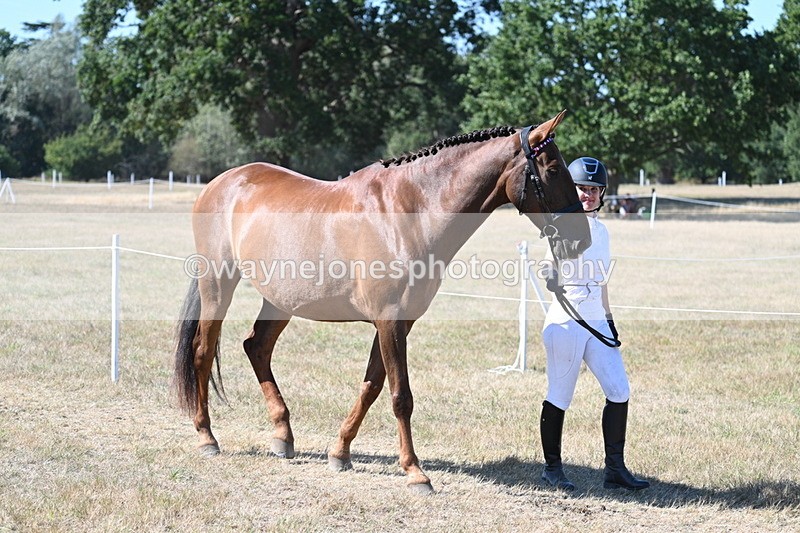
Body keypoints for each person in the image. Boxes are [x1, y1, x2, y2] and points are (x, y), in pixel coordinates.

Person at [538, 156, 649, 491]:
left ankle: (614, 470)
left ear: (602, 193)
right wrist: (553, 279)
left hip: (597, 321)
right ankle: (552, 469)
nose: (587, 194)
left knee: (619, 390)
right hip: (566, 320)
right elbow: (546, 268)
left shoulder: (603, 232)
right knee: (560, 394)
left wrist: (610, 322)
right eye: (581, 188)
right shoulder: (559, 224)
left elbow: (601, 282)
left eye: (593, 189)